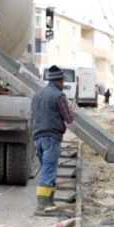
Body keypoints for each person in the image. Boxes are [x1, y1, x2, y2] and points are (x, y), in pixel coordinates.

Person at [31, 65, 74, 216]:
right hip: (51, 138)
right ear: (60, 80)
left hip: (38, 137)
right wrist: (71, 107)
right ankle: (42, 206)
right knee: (49, 171)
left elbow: (33, 115)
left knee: (46, 169)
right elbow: (69, 118)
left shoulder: (38, 94)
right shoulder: (59, 96)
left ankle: (49, 203)